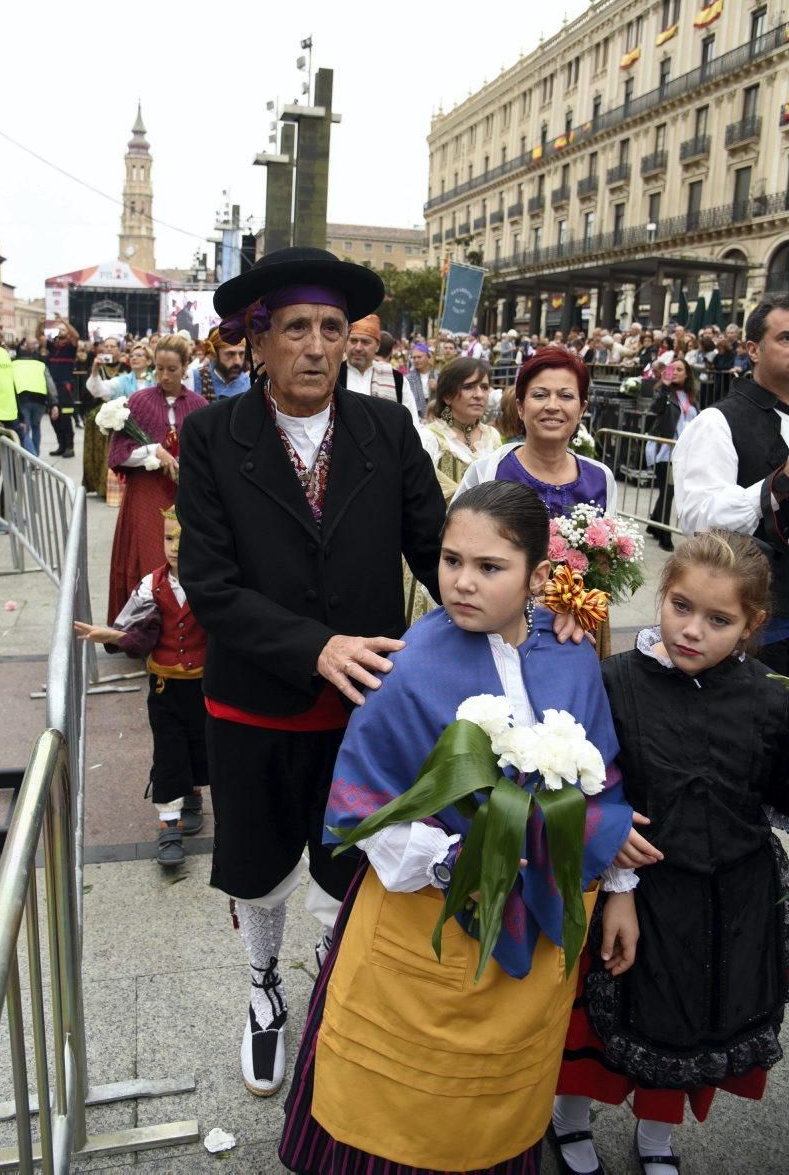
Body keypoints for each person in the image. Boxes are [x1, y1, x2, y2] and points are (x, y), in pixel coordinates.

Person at [279, 481, 639, 1175]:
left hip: (534, 939)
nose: (462, 582)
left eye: (489, 567)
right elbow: (363, 809)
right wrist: (457, 862)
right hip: (426, 919)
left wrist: (619, 882)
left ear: (539, 575)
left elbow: (605, 774)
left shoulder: (570, 656)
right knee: (400, 1099)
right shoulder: (410, 665)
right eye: (450, 560)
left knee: (495, 1101)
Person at [175, 246, 446, 1098]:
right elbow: (211, 587)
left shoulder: (387, 429)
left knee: (354, 867)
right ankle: (263, 988)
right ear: (257, 341)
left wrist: (512, 606)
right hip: (255, 702)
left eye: (334, 328)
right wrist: (314, 647)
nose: (318, 346)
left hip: (366, 707)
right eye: (297, 328)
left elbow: (436, 547)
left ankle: (343, 990)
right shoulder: (214, 435)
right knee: (257, 868)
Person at [552, 530, 789, 1175]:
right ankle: (569, 1121)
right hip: (638, 891)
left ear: (751, 624)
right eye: (680, 606)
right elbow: (583, 778)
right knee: (596, 1022)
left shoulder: (770, 697)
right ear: (662, 593)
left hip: (730, 903)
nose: (692, 630)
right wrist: (607, 839)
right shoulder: (614, 682)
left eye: (719, 620)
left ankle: (657, 1138)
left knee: (693, 1023)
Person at [74, 506, 208, 866]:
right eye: (168, 537)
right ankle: (169, 825)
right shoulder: (151, 584)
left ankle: (193, 793)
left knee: (202, 745)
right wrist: (112, 635)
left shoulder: (212, 582)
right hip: (165, 687)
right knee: (168, 754)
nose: (175, 546)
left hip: (206, 687)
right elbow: (130, 628)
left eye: (183, 537)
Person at [673, 293, 789, 673]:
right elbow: (699, 518)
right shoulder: (717, 422)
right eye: (786, 338)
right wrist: (778, 484)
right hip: (762, 630)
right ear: (753, 350)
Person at [106, 336, 206, 623]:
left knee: (184, 557)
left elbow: (207, 453)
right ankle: (145, 631)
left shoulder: (199, 405)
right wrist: (153, 452)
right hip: (146, 495)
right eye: (159, 368)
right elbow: (119, 454)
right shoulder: (139, 400)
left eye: (172, 369)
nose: (164, 376)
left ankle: (183, 632)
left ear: (185, 367)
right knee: (149, 558)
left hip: (184, 494)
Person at [456, 348, 616, 518]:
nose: (552, 406)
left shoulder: (601, 479)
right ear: (520, 407)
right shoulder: (487, 472)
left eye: (566, 396)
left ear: (581, 410)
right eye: (540, 395)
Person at [425, 357, 502, 499]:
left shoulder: (493, 437)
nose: (479, 395)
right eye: (468, 387)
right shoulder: (430, 438)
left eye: (484, 387)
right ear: (447, 396)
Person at [645, 358, 698, 552]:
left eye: (679, 369)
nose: (674, 372)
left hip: (683, 450)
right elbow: (655, 409)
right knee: (668, 491)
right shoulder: (663, 392)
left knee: (668, 491)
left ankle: (653, 524)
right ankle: (664, 535)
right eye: (672, 369)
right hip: (664, 449)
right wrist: (665, 387)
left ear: (687, 374)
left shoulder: (690, 397)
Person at [341, 314, 419, 419]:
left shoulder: (397, 380)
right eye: (353, 341)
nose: (358, 347)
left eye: (365, 342)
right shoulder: (333, 375)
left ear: (377, 346)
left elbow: (411, 422)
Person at [83, 337, 129, 500]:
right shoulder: (98, 366)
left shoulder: (127, 367)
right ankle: (99, 484)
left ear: (119, 349)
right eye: (106, 346)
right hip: (100, 411)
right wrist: (95, 369)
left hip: (124, 413)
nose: (109, 349)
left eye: (113, 346)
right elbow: (92, 390)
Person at [37, 314, 78, 457]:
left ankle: (70, 447)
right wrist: (40, 324)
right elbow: (39, 337)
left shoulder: (71, 347)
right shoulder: (53, 346)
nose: (61, 330)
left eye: (63, 329)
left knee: (66, 418)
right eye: (59, 329)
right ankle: (61, 445)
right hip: (52, 387)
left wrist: (64, 322)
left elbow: (76, 335)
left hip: (65, 387)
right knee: (54, 418)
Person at [12, 340, 59, 457]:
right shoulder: (40, 365)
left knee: (24, 429)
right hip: (40, 400)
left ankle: (31, 456)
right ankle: (36, 455)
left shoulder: (13, 364)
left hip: (22, 399)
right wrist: (54, 403)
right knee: (36, 427)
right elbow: (50, 384)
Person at [193, 329, 249, 401]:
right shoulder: (195, 379)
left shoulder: (250, 384)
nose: (237, 362)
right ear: (215, 354)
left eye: (241, 354)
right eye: (230, 354)